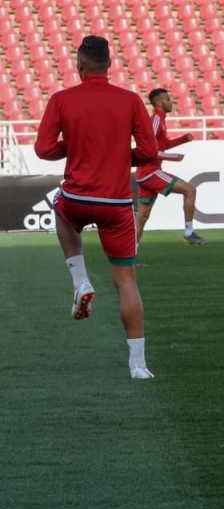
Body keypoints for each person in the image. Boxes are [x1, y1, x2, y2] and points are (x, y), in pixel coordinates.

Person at [33, 35, 159, 379]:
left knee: (61, 210)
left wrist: (74, 148)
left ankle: (81, 280)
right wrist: (119, 155)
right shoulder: (131, 100)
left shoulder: (62, 99)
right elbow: (149, 153)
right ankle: (138, 365)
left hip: (78, 198)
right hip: (116, 204)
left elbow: (43, 149)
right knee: (127, 280)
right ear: (109, 65)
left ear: (80, 65)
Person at [134, 88, 206, 246]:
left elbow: (162, 145)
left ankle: (130, 257)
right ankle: (189, 232)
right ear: (159, 102)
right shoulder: (155, 120)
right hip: (150, 172)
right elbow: (147, 149)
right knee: (190, 190)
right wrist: (172, 157)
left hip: (145, 174)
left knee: (142, 218)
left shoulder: (160, 119)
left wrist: (183, 139)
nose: (170, 102)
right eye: (167, 99)